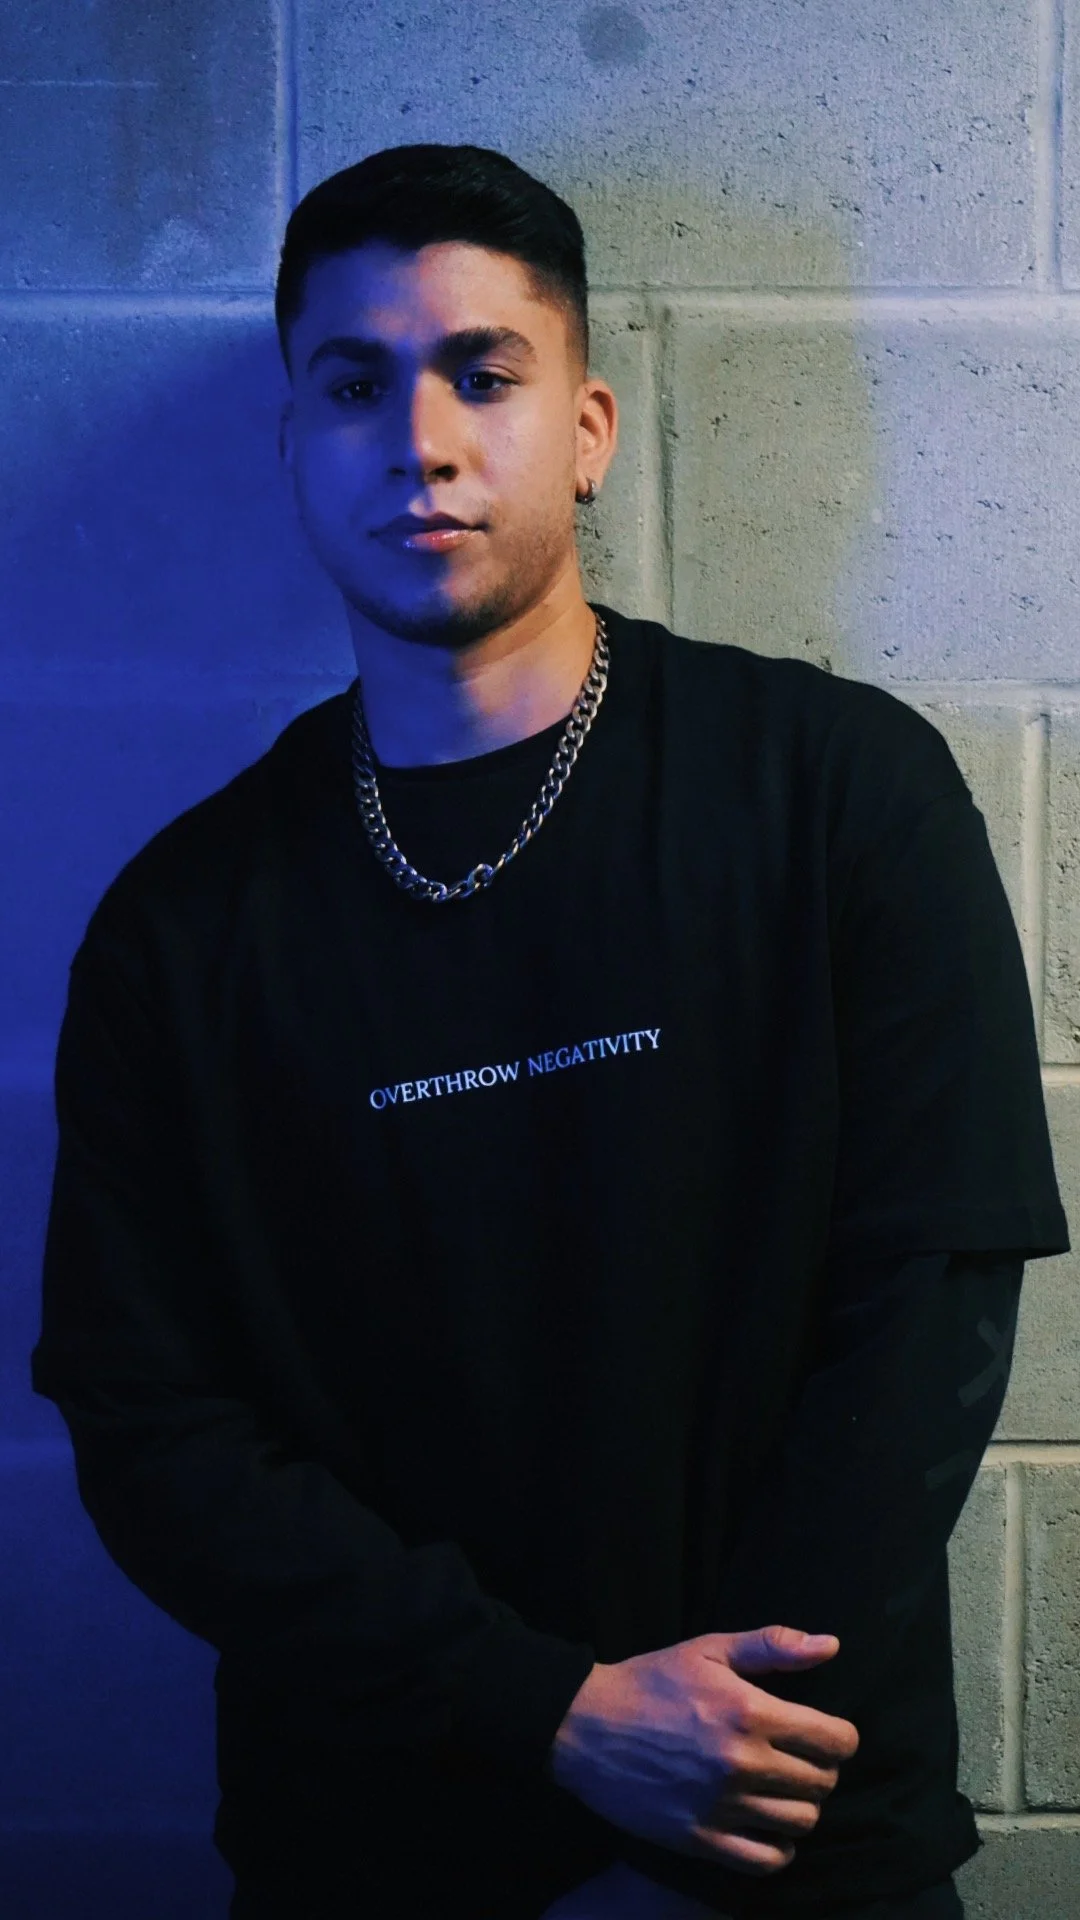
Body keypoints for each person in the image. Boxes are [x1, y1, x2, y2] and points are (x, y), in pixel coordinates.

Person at [31, 143, 1070, 1920]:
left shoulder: (839, 795)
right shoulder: (181, 928)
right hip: (379, 1842)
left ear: (586, 427)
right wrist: (555, 1716)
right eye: (353, 385)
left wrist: (717, 1737)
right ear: (292, 446)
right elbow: (152, 1428)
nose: (420, 438)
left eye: (481, 374)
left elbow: (936, 1302)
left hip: (791, 1825)